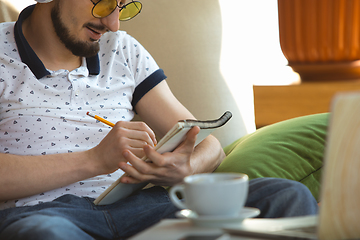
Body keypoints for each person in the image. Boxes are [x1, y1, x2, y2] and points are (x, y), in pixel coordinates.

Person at [0, 0, 318, 239]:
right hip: (46, 216)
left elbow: (207, 143)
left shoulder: (121, 50)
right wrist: (95, 159)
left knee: (286, 196)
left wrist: (186, 168)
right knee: (43, 234)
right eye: (105, 3)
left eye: (123, 7)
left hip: (142, 208)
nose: (113, 24)